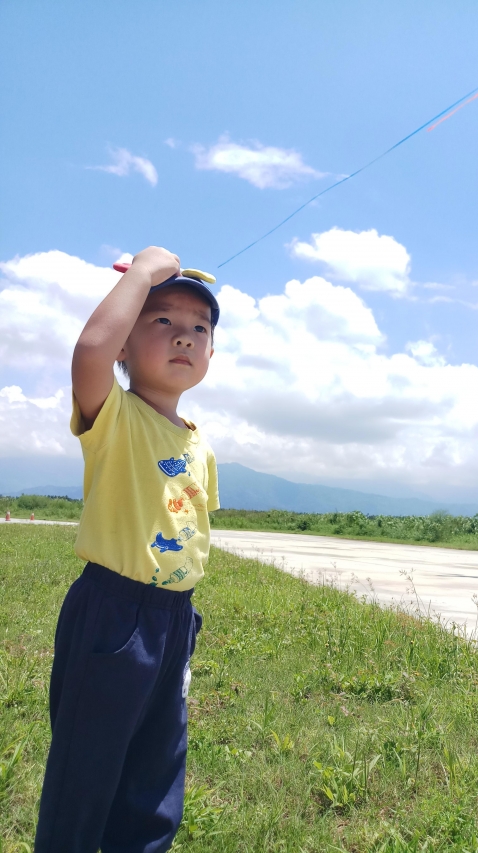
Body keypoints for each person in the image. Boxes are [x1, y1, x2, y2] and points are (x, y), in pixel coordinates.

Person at [34, 246, 220, 853]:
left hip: (174, 620)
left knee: (157, 769)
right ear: (124, 345)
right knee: (88, 770)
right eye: (161, 319)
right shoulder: (114, 415)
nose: (185, 337)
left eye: (200, 328)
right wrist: (142, 273)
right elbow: (88, 354)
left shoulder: (200, 445)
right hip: (114, 614)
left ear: (211, 354)